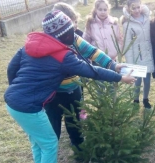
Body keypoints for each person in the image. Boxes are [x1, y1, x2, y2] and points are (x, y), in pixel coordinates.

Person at [4, 10, 136, 163]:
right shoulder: (63, 57)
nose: (73, 35)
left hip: (13, 100)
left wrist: (16, 90)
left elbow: (12, 68)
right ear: (63, 34)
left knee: (37, 141)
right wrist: (119, 78)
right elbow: (92, 71)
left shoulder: (30, 45)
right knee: (49, 142)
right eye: (70, 32)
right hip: (28, 106)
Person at [44, 3, 124, 151]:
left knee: (74, 121)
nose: (74, 28)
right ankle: (50, 158)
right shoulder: (47, 46)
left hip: (74, 89)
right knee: (52, 125)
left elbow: (93, 52)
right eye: (69, 26)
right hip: (53, 94)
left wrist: (112, 64)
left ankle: (79, 147)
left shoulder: (74, 38)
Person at [122, 0, 155, 109]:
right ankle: (136, 99)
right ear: (128, 8)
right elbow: (128, 44)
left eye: (138, 7)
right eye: (133, 8)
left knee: (147, 79)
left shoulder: (147, 18)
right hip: (137, 55)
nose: (136, 10)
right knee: (137, 80)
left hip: (148, 53)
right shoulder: (127, 24)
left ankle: (145, 99)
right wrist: (130, 63)